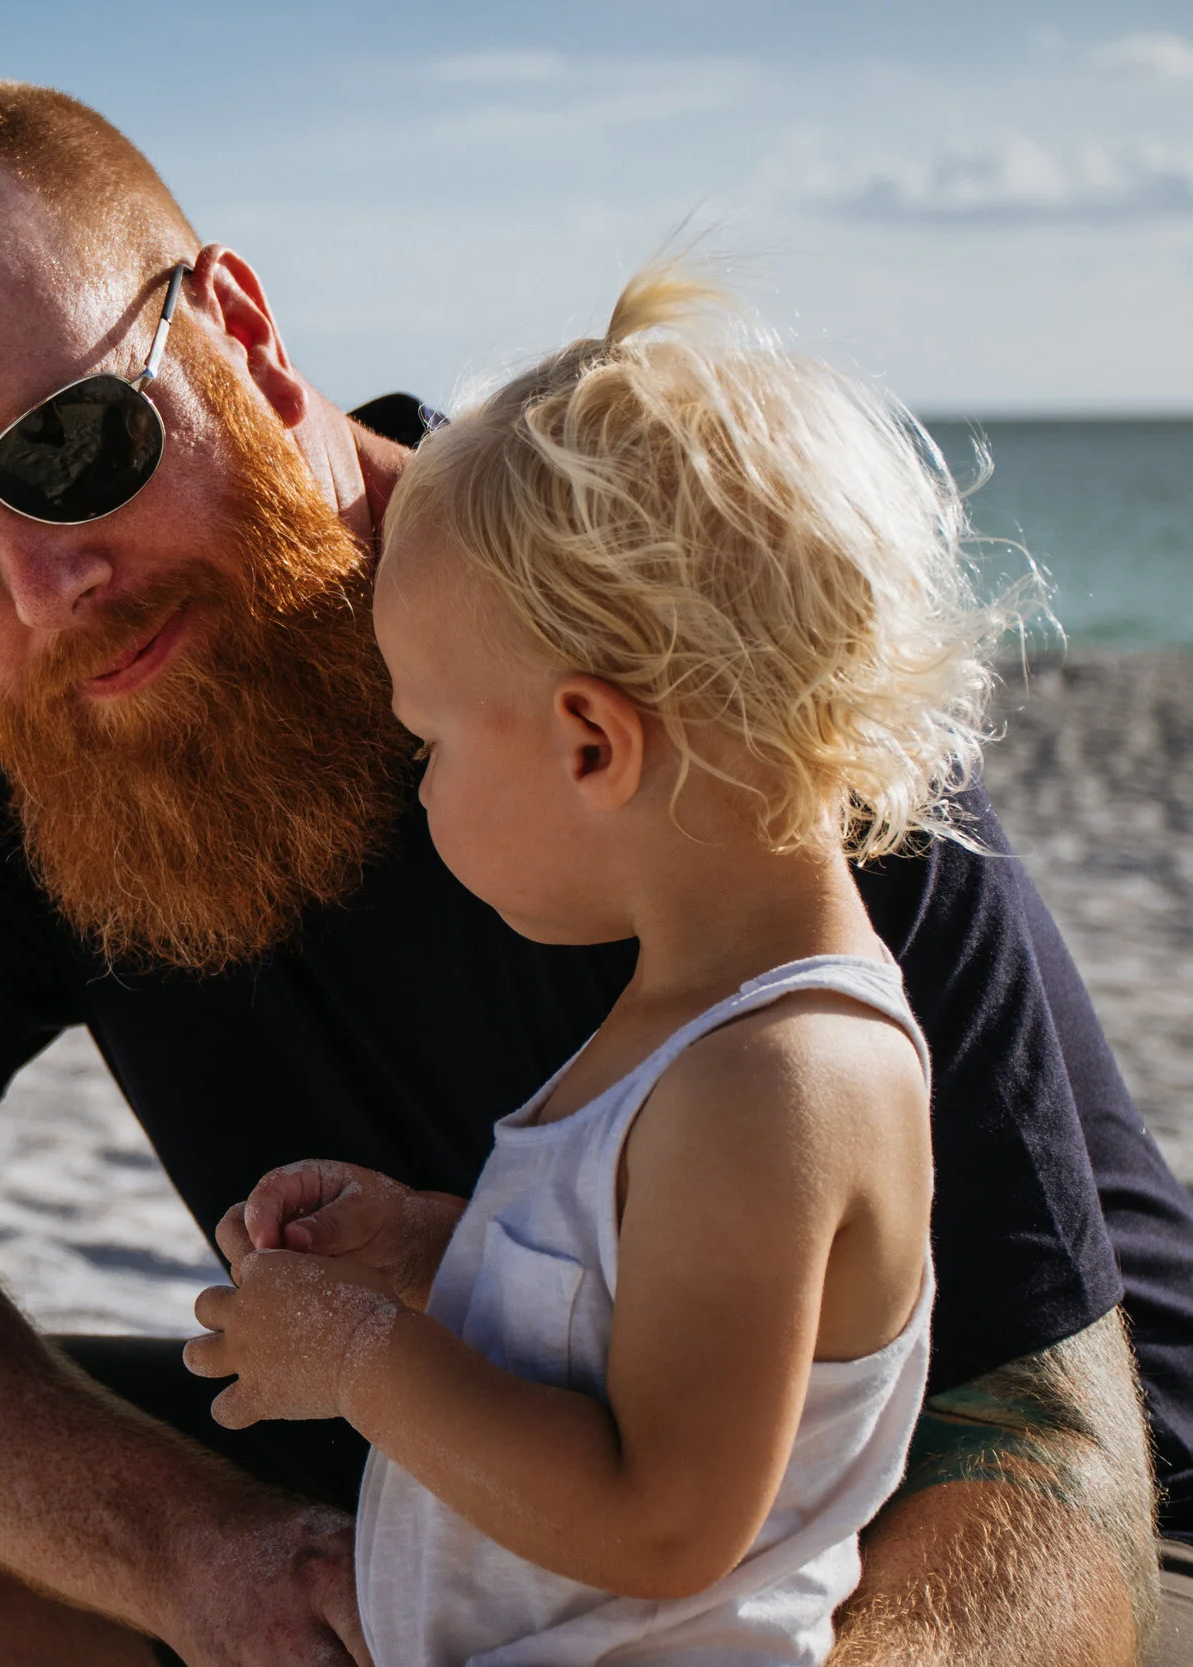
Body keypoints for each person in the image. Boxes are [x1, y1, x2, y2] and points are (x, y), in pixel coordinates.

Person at [0, 80, 1193, 1666]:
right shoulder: (19, 699)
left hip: (970, 1515)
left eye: (72, 443)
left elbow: (1048, 1436)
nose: (42, 586)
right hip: (484, 1477)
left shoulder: (652, 600)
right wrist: (195, 1555)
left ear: (236, 324)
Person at [183, 265, 978, 1661]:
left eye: (428, 742)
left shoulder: (777, 1081)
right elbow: (638, 1341)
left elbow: (666, 1517)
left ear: (590, 742)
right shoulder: (698, 1029)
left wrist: (365, 1361)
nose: (415, 792)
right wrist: (438, 1262)